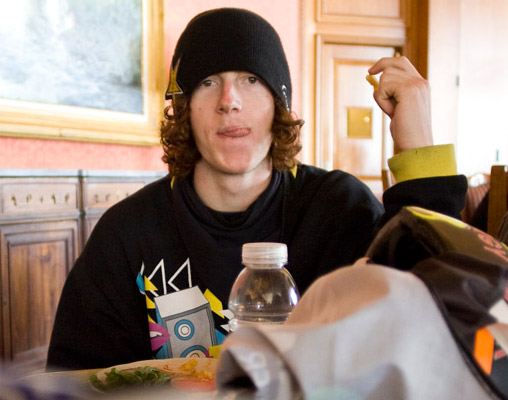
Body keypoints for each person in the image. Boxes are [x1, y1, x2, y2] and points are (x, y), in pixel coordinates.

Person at [47, 7, 467, 371]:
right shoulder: (126, 233)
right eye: (208, 81)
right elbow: (75, 376)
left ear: (279, 104)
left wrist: (418, 146)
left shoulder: (339, 209)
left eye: (251, 79)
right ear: (184, 108)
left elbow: (435, 318)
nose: (229, 100)